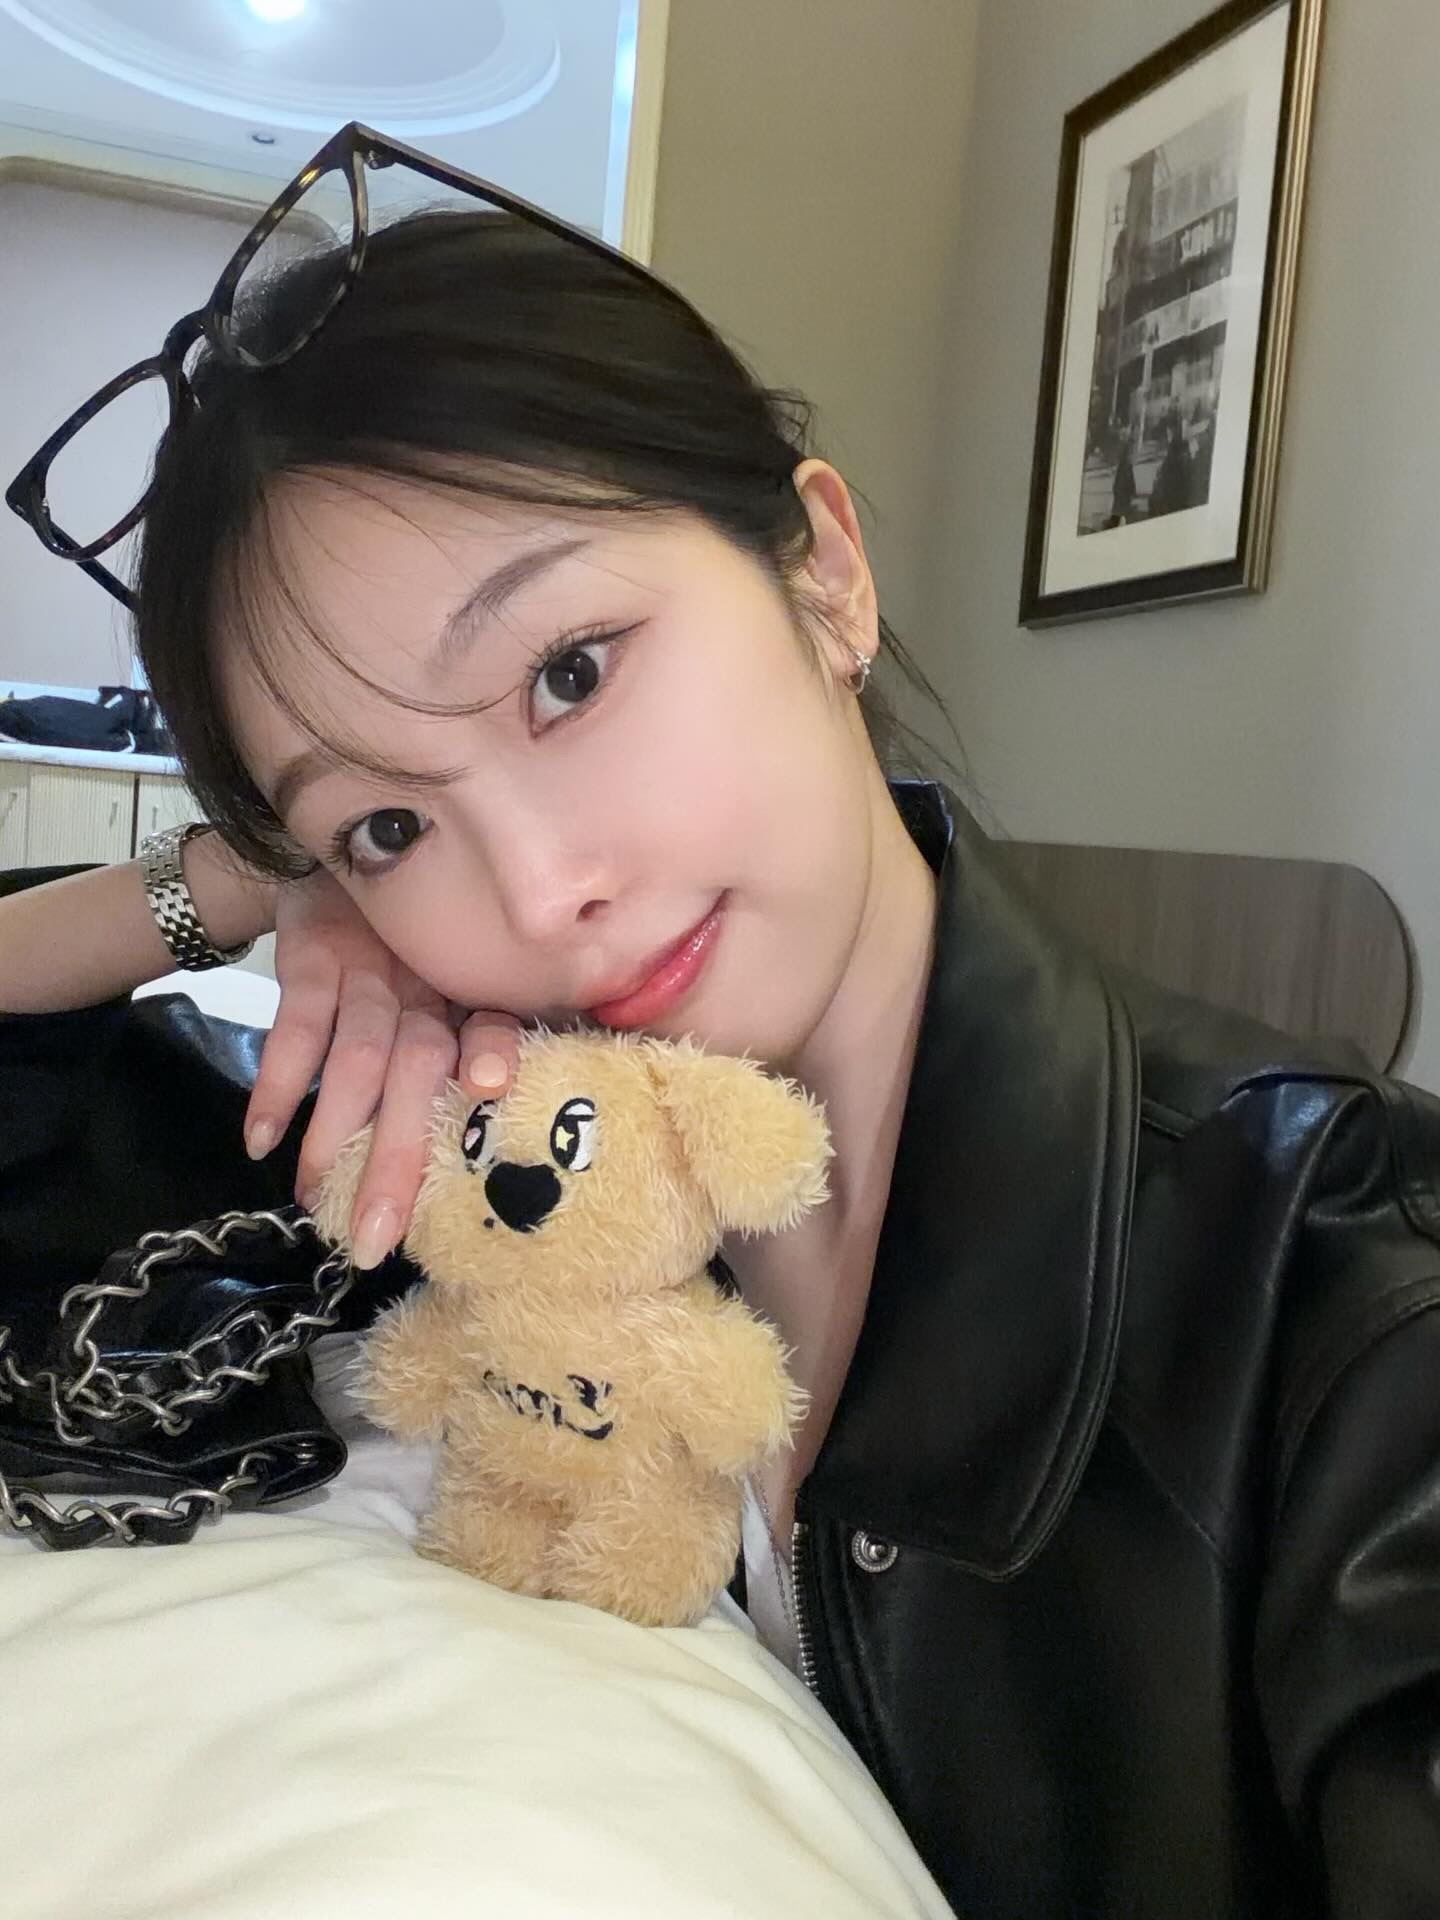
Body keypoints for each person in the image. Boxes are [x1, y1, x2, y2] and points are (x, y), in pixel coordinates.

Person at [5, 135, 1440, 1918]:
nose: (540, 895)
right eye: (390, 822)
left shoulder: (1339, 1303)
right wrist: (249, 884)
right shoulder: (483, 1174)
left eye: (569, 674)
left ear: (822, 574)